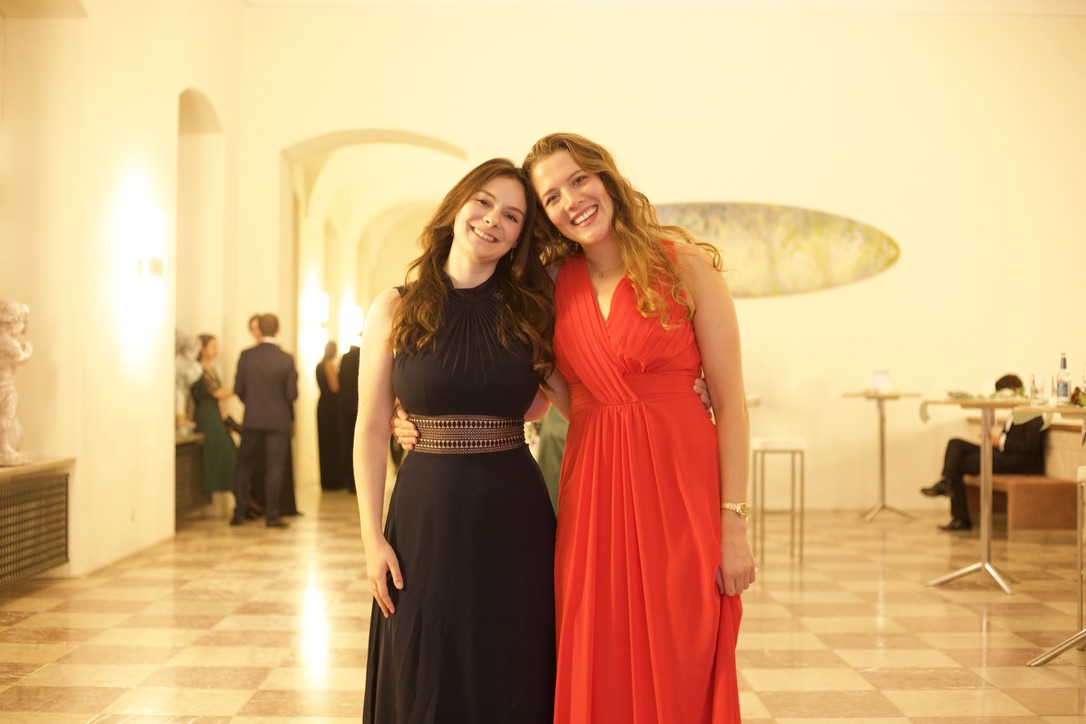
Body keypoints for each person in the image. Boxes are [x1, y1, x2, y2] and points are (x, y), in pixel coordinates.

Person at [393, 135, 754, 722]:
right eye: (552, 197)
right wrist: (407, 409)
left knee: (683, 645)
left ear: (605, 178)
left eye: (578, 180)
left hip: (679, 488)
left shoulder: (686, 267)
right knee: (598, 648)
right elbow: (527, 384)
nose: (572, 201)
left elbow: (732, 404)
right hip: (594, 493)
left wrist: (733, 521)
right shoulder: (552, 284)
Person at [354, 158, 557, 723]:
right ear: (457, 205)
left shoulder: (531, 312)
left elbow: (572, 397)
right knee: (425, 666)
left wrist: (681, 386)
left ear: (520, 237)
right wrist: (371, 538)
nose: (493, 220)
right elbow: (370, 425)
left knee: (512, 666)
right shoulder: (394, 306)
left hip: (515, 520)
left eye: (512, 216)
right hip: (425, 519)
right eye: (484, 202)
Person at [921, 373, 1045, 531]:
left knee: (958, 464)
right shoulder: (1015, 413)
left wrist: (1000, 441)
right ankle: (946, 480)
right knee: (955, 444)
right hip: (1002, 454)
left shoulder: (1033, 413)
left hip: (1016, 463)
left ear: (1015, 391)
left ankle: (959, 516)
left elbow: (1030, 446)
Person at [231, 313, 299, 528]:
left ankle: (239, 512)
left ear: (258, 329)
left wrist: (253, 404)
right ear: (278, 330)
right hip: (278, 422)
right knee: (275, 468)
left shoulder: (246, 355)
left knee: (244, 465)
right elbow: (292, 394)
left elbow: (238, 389)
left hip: (252, 419)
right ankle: (272, 515)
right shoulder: (285, 358)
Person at [190, 334, 237, 494]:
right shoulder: (197, 370)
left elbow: (218, 400)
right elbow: (216, 393)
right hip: (206, 414)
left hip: (215, 413)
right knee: (220, 450)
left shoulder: (211, 369)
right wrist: (238, 388)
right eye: (213, 346)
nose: (216, 350)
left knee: (229, 450)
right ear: (202, 349)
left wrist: (224, 418)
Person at [316, 340, 341, 490]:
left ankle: (326, 480)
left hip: (322, 405)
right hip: (330, 408)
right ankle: (332, 481)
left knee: (324, 442)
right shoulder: (328, 365)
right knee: (331, 443)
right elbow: (335, 387)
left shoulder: (319, 365)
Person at [337, 342, 360, 492]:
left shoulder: (345, 358)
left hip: (345, 406)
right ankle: (356, 482)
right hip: (359, 406)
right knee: (359, 444)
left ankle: (347, 480)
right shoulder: (364, 355)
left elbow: (340, 381)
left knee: (347, 443)